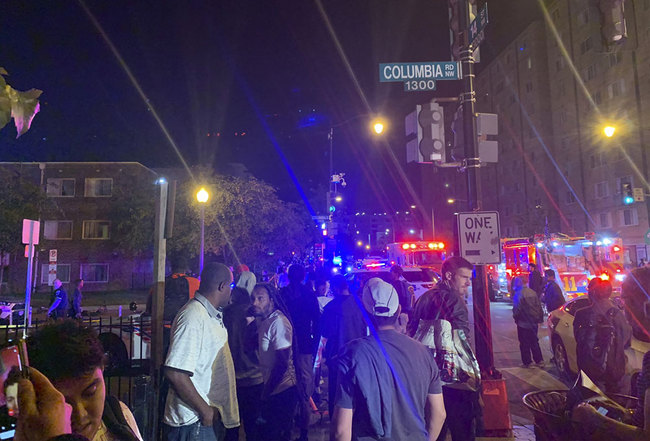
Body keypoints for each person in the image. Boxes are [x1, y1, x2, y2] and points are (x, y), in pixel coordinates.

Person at [331, 277, 446, 441]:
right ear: (398, 311)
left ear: (365, 314)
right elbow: (439, 414)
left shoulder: (352, 354)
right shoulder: (423, 352)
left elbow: (341, 431)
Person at [26, 319, 143, 441]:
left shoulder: (119, 415)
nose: (80, 415)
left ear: (102, 369)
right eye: (63, 403)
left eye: (90, 392)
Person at [163, 262, 239, 441]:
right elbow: (175, 372)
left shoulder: (207, 314)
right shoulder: (193, 317)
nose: (231, 290)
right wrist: (205, 412)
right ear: (222, 286)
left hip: (203, 420)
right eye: (231, 285)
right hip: (193, 422)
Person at [408, 256, 480, 441]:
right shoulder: (455, 301)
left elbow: (413, 333)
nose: (468, 284)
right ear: (449, 275)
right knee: (462, 431)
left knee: (434, 427)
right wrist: (472, 379)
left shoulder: (423, 298)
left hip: (427, 377)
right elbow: (462, 344)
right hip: (454, 380)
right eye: (464, 278)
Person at [250, 283, 298, 441]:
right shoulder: (263, 320)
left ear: (271, 300)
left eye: (260, 299)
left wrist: (266, 392)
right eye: (253, 299)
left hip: (282, 390)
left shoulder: (278, 322)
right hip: (271, 387)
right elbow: (246, 346)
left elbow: (282, 364)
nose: (255, 303)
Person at [279, 264, 320, 441]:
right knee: (304, 391)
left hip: (285, 346)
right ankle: (303, 433)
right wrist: (314, 345)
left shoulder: (282, 295)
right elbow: (317, 323)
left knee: (285, 387)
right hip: (304, 347)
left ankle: (286, 430)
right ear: (303, 276)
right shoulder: (309, 295)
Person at [316, 275, 368, 416]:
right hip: (359, 356)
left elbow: (325, 332)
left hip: (337, 357)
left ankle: (337, 422)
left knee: (337, 395)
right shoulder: (361, 305)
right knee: (357, 391)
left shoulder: (331, 308)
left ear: (335, 287)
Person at [223, 271, 262, 441]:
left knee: (231, 426)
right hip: (254, 377)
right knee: (253, 427)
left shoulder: (226, 314)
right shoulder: (256, 316)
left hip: (232, 378)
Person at [573, 278, 631, 393]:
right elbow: (626, 341)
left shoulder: (581, 314)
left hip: (589, 372)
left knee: (591, 404)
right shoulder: (618, 315)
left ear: (592, 293)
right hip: (613, 371)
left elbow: (578, 339)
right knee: (612, 404)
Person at [511, 276, 544, 367]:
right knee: (534, 341)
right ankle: (539, 360)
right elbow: (539, 306)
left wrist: (515, 318)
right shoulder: (532, 292)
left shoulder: (519, 294)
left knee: (524, 343)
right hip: (533, 322)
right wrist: (540, 319)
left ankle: (527, 362)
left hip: (523, 323)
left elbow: (517, 309)